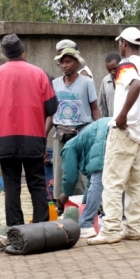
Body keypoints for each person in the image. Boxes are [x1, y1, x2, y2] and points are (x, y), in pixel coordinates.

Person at [88, 27, 140, 245]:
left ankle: (111, 229)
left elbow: (135, 85)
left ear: (123, 44)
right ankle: (134, 226)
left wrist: (122, 114)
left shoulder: (127, 64)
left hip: (124, 131)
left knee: (113, 182)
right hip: (139, 134)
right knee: (135, 183)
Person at [0, 34, 58, 226]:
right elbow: (52, 108)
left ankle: (15, 232)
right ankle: (42, 229)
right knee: (36, 183)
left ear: (5, 54)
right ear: (23, 51)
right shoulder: (39, 74)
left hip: (3, 138)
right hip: (32, 137)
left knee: (12, 186)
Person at [46, 47, 100, 204]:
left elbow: (95, 109)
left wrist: (100, 132)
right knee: (61, 174)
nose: (64, 65)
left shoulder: (87, 83)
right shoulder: (55, 84)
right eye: (61, 62)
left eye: (68, 61)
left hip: (82, 134)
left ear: (76, 63)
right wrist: (43, 137)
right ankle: (62, 207)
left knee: (86, 173)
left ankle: (88, 206)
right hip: (61, 135)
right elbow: (51, 114)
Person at [61, 118, 110, 239]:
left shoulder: (69, 147)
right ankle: (124, 220)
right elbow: (90, 182)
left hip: (105, 133)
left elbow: (70, 176)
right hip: (120, 129)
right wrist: (84, 203)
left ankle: (86, 225)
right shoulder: (85, 141)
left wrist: (66, 194)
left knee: (98, 181)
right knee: (120, 181)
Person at [97, 53, 121, 118]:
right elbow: (102, 106)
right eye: (109, 70)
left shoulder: (128, 80)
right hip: (111, 122)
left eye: (115, 68)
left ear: (121, 65)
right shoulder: (105, 81)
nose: (112, 72)